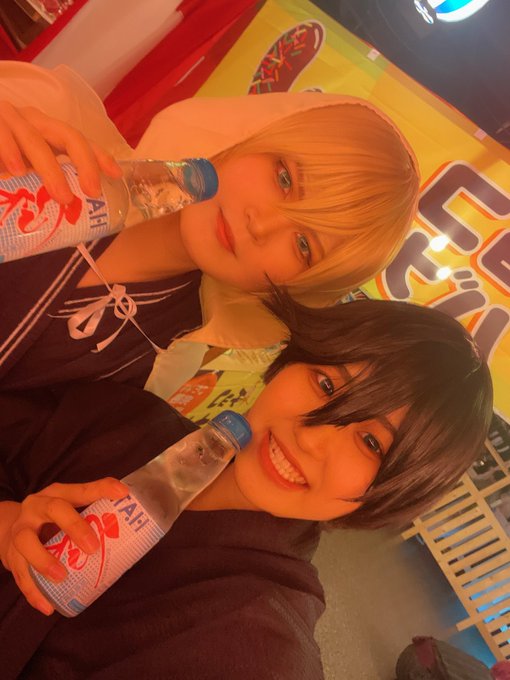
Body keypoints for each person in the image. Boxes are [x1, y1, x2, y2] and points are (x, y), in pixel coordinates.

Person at [0, 293, 492, 679]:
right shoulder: (125, 418)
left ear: (390, 495)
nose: (312, 436)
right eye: (325, 384)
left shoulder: (260, 644)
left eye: (370, 442)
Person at [0, 61, 419, 396]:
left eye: (304, 245)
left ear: (302, 287)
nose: (263, 224)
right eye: (285, 178)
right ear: (253, 133)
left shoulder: (163, 363)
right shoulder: (55, 114)